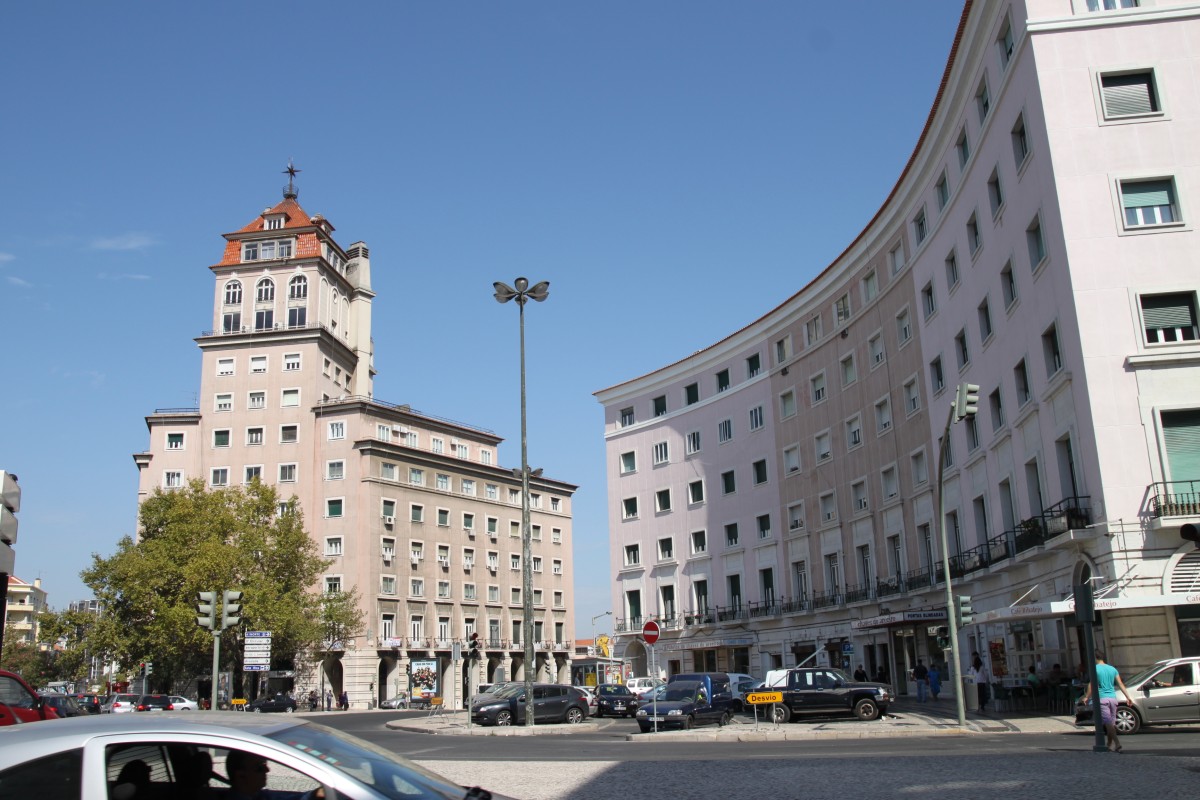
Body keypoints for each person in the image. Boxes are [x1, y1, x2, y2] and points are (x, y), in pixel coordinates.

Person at [1080, 649, 1135, 753]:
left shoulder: (1095, 669)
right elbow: (1120, 684)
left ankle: (1117, 743)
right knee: (1111, 724)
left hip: (1102, 698)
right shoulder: (1112, 669)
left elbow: (1091, 684)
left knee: (1108, 723)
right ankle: (1109, 745)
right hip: (1113, 698)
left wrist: (1087, 697)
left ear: (1094, 658)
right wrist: (1128, 697)